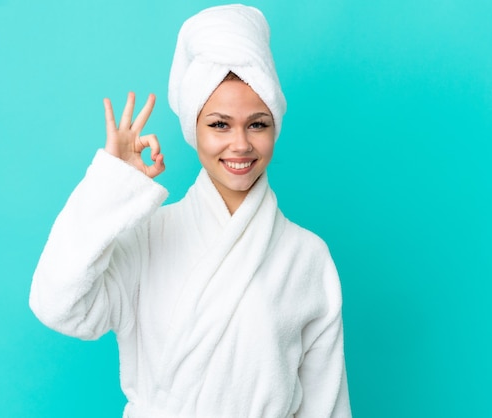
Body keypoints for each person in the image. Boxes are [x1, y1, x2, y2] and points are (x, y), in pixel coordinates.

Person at [29, 4, 351, 417]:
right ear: (193, 130)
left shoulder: (307, 257)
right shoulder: (148, 238)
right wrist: (110, 186)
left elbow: (327, 406)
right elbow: (58, 305)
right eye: (219, 124)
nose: (240, 144)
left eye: (257, 124)